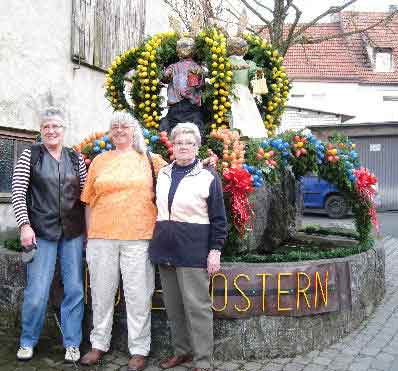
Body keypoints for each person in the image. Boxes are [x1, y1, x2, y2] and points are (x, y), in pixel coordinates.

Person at [79, 112, 167, 371]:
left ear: (134, 131)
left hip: (138, 237)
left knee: (138, 296)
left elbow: (178, 181)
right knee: (101, 293)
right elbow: (87, 200)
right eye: (114, 127)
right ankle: (98, 345)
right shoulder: (99, 160)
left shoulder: (152, 160)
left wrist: (206, 165)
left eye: (124, 126)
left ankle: (139, 350)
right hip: (101, 237)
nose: (119, 130)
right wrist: (89, 234)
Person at [149, 122, 227, 371]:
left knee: (198, 308)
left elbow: (219, 219)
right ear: (172, 145)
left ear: (197, 146)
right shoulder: (163, 173)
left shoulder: (207, 176)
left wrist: (215, 250)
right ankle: (181, 352)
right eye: (179, 142)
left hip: (192, 250)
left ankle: (203, 361)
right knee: (173, 308)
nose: (183, 147)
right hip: (166, 248)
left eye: (189, 143)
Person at [11, 107, 87, 363]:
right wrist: (24, 225)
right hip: (40, 232)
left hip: (73, 233)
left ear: (64, 130)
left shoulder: (76, 158)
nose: (51, 131)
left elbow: (85, 197)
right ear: (41, 131)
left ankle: (72, 343)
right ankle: (27, 341)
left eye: (56, 126)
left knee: (75, 289)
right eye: (46, 127)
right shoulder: (29, 155)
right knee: (37, 290)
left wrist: (89, 231)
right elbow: (18, 192)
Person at [159, 37, 206, 136]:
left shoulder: (196, 68)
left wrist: (198, 77)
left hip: (189, 107)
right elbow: (165, 78)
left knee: (188, 130)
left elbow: (199, 85)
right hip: (179, 107)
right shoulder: (174, 67)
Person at [228, 37, 267, 138]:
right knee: (246, 115)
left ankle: (237, 137)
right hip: (243, 93)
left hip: (228, 92)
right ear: (244, 49)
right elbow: (258, 80)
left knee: (234, 115)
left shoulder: (223, 62)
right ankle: (245, 137)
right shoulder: (249, 64)